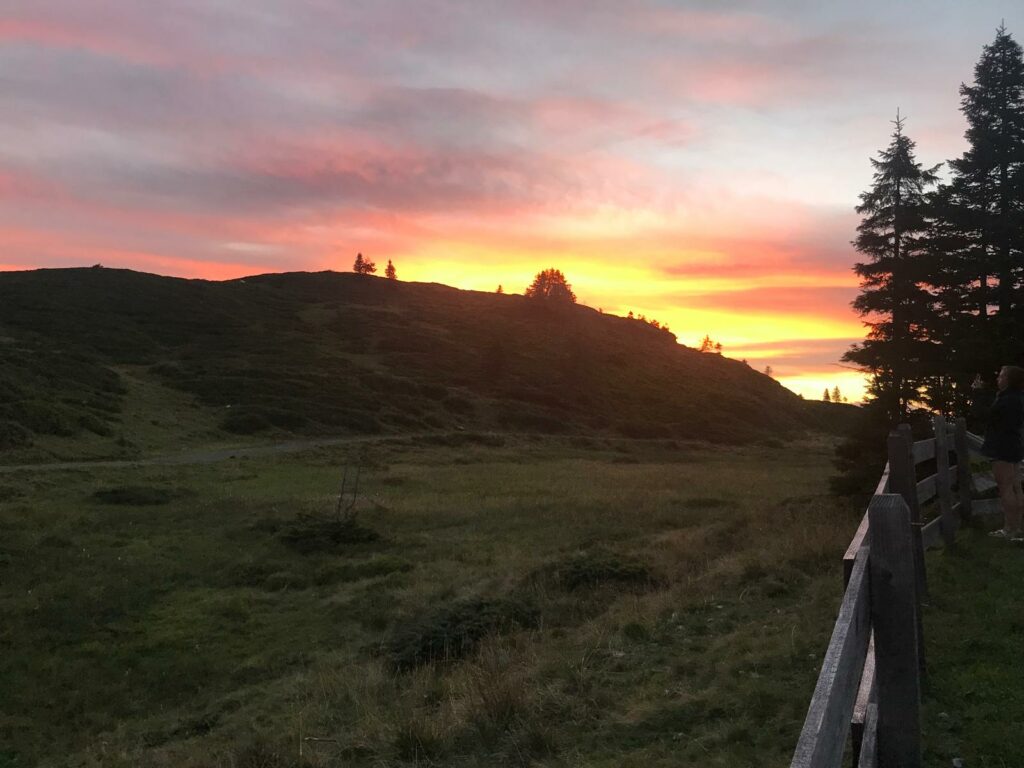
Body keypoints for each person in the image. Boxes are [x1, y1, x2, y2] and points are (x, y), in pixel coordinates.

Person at [980, 365, 1024, 539]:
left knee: (1005, 488)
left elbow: (986, 415)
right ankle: (1017, 527)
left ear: (1008, 380)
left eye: (1001, 376)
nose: (998, 379)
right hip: (1014, 445)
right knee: (1016, 487)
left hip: (1002, 447)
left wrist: (978, 394)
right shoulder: (1018, 397)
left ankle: (1009, 529)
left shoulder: (1006, 400)